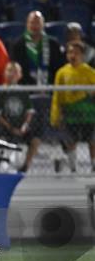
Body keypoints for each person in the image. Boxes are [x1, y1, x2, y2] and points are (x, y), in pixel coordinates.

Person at [50, 41, 95, 173]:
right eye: (70, 52)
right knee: (71, 142)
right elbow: (57, 96)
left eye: (76, 53)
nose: (72, 55)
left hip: (89, 115)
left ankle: (93, 167)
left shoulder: (90, 72)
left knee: (92, 143)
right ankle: (73, 168)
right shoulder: (62, 73)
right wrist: (56, 115)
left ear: (82, 55)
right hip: (70, 114)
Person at [0, 61, 40, 173]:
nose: (12, 74)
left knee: (35, 140)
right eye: (9, 70)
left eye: (15, 71)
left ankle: (25, 166)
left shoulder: (23, 91)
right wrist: (11, 128)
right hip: (6, 127)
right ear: (4, 73)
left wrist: (24, 126)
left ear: (20, 75)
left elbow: (29, 112)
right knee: (2, 139)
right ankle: (3, 163)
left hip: (21, 126)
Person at [10, 11, 64, 86]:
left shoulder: (53, 44)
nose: (34, 26)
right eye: (32, 22)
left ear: (43, 24)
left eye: (37, 23)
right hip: (25, 88)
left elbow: (59, 67)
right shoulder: (18, 44)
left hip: (51, 87)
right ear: (27, 24)